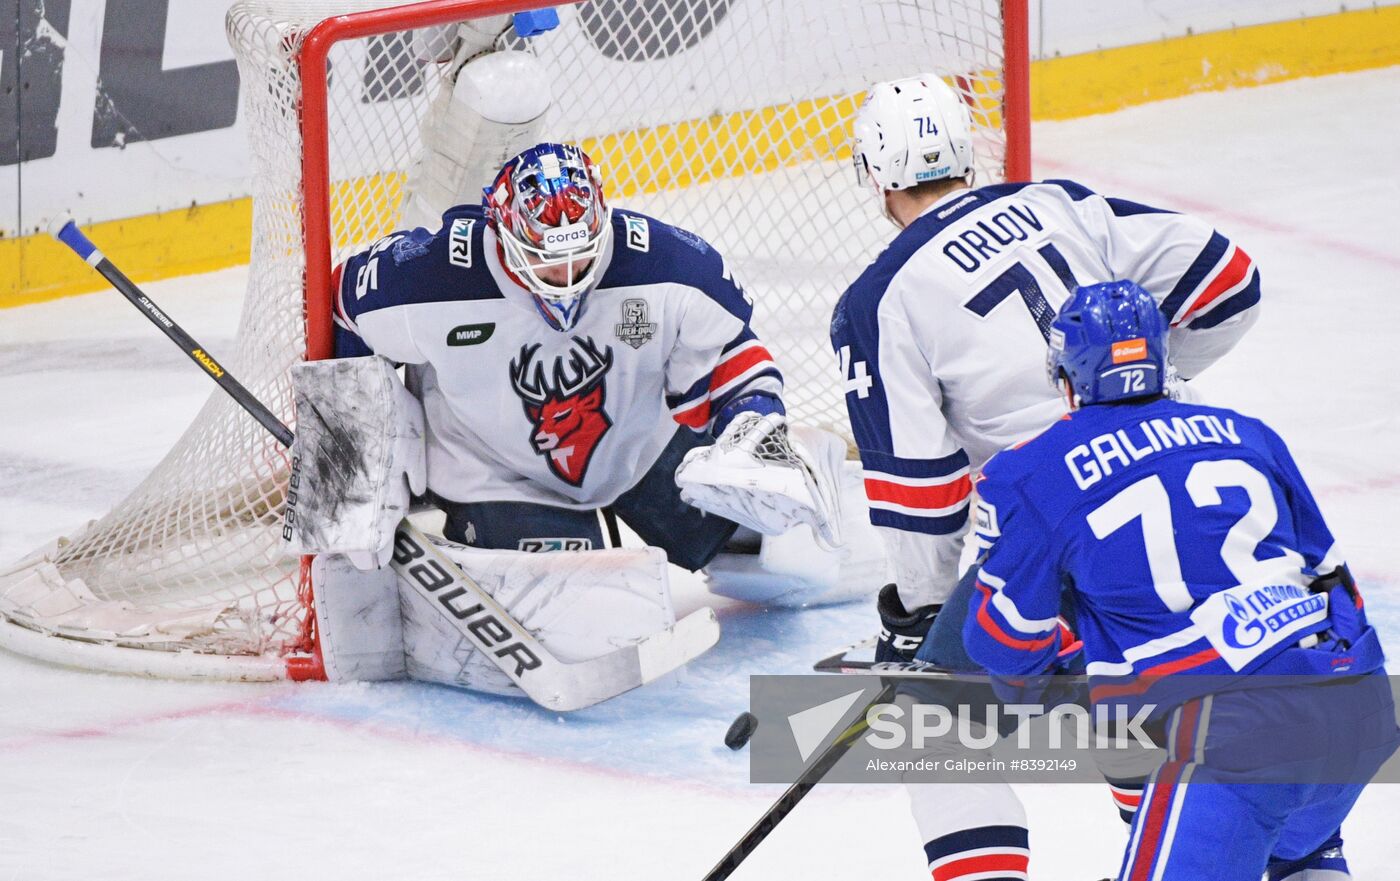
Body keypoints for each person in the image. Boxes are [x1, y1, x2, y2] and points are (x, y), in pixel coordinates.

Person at [831, 72, 1263, 877]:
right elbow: (1232, 280)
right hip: (1186, 481)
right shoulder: (1057, 202)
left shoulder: (878, 297)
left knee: (941, 721)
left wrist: (922, 616)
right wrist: (1144, 390)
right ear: (967, 152)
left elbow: (921, 497)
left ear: (874, 174)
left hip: (1058, 523)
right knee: (1145, 687)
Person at [287, 141, 876, 701]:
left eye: (581, 258)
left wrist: (752, 424)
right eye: (549, 262)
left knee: (795, 549)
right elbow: (340, 316)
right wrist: (354, 467)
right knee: (591, 616)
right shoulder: (426, 276)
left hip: (641, 451)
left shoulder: (668, 263)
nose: (568, 278)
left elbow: (730, 350)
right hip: (493, 473)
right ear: (504, 238)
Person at [963, 280, 1398, 881]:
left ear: (1066, 373)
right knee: (1303, 853)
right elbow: (1333, 580)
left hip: (1231, 735)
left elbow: (1008, 656)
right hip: (1359, 707)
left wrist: (1073, 661)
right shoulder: (1247, 433)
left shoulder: (1027, 473)